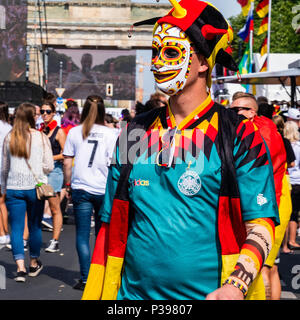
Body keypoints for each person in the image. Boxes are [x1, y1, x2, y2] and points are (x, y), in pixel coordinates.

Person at [82, 0, 279, 301]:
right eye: (156, 52)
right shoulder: (135, 131)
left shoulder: (240, 135)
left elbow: (261, 226)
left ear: (203, 63)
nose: (158, 62)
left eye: (171, 52)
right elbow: (111, 226)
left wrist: (236, 285)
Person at [230, 92, 292, 300]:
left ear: (252, 112)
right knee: (268, 267)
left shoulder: (262, 132)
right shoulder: (248, 129)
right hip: (266, 201)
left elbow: (262, 179)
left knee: (261, 266)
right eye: (231, 109)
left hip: (270, 203)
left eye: (239, 110)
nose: (233, 113)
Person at [63, 95, 118, 290]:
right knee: (104, 234)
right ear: (103, 111)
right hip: (104, 188)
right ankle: (102, 275)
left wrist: (68, 183)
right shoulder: (112, 133)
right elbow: (115, 164)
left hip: (81, 187)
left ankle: (86, 277)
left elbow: (67, 162)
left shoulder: (75, 132)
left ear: (84, 110)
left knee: (83, 235)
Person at [1, 102, 54, 282]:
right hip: (34, 187)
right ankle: (33, 262)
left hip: (14, 187)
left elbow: (4, 167)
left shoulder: (9, 138)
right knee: (34, 226)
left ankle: (20, 267)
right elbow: (49, 165)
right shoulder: (40, 137)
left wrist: (3, 187)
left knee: (15, 228)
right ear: (32, 117)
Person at [39, 101, 67, 253]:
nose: (44, 114)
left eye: (48, 111)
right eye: (42, 111)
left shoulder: (59, 132)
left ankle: (55, 241)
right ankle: (27, 239)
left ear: (54, 113)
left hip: (54, 173)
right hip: (41, 173)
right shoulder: (41, 130)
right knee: (36, 207)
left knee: (55, 208)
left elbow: (66, 153)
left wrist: (49, 157)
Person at [284, 121, 300, 250]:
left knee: (288, 212)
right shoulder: (298, 146)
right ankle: (292, 240)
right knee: (294, 213)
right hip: (297, 180)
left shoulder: (284, 144)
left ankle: (287, 242)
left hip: (288, 180)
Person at [0, 101, 12, 246]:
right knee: (3, 202)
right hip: (7, 168)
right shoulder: (10, 129)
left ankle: (3, 233)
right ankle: (5, 232)